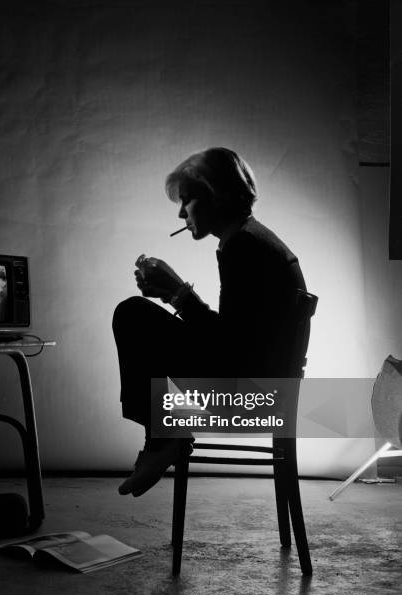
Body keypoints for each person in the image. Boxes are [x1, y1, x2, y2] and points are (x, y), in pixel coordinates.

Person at [112, 147, 306, 497]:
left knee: (132, 314)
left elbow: (227, 349)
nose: (180, 213)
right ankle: (164, 436)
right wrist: (175, 295)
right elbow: (235, 339)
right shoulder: (251, 238)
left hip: (249, 396)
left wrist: (180, 294)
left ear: (216, 195)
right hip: (266, 389)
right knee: (141, 319)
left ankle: (165, 438)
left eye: (187, 200)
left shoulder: (243, 246)